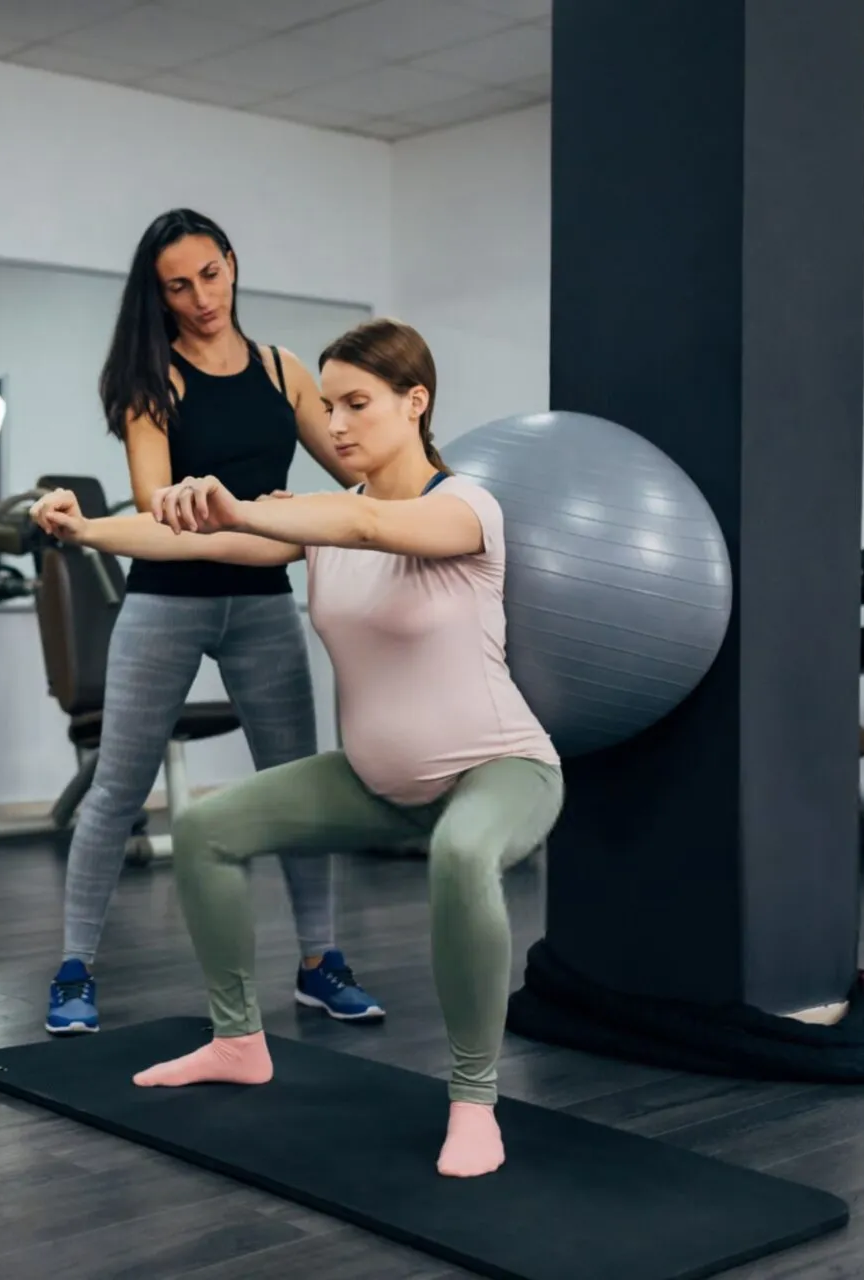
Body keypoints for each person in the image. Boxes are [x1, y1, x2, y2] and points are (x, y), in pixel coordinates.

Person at [30, 317, 562, 1179]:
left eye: (358, 404)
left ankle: (474, 1100)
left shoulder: (465, 506)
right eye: (328, 406)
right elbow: (190, 537)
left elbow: (370, 525)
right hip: (377, 781)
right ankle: (237, 1041)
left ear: (415, 402)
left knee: (462, 855)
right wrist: (86, 530)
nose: (337, 424)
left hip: (499, 767)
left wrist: (248, 504)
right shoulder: (316, 523)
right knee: (206, 829)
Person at [42, 208, 386, 1038]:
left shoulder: (282, 370)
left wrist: (401, 455)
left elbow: (354, 465)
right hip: (165, 601)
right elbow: (160, 511)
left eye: (210, 274)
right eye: (178, 286)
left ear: (232, 263)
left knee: (298, 786)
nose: (201, 297)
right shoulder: (152, 383)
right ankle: (74, 968)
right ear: (157, 296)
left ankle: (320, 962)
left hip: (263, 606)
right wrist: (276, 527)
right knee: (118, 787)